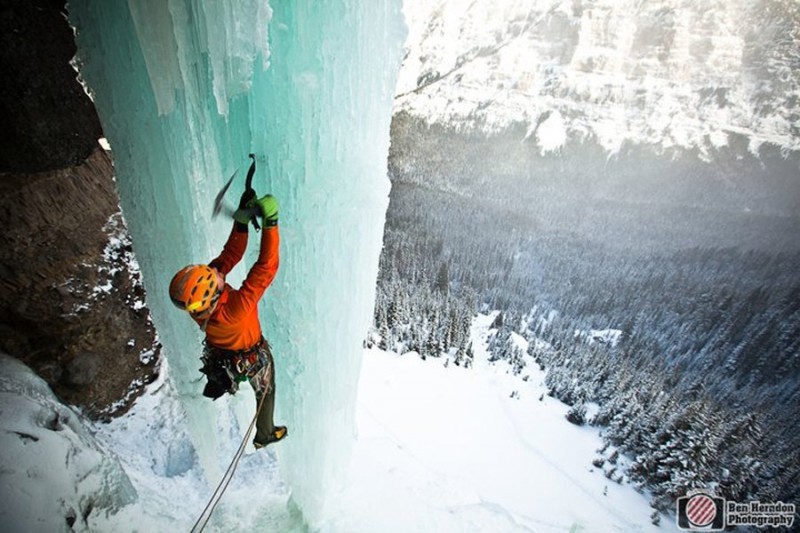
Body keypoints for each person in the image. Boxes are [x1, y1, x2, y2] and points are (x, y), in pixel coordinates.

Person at [169, 190, 287, 449]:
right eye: (214, 275)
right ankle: (264, 433)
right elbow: (266, 268)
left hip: (224, 354)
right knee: (266, 389)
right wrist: (271, 221)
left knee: (259, 386)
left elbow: (230, 253)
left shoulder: (200, 305)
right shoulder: (234, 309)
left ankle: (222, 386)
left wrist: (241, 222)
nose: (215, 269)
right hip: (250, 356)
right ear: (213, 293)